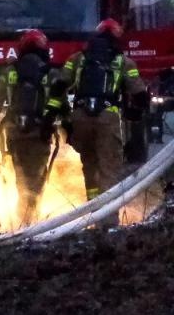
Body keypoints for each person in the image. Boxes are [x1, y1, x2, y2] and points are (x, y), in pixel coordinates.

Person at [0, 28, 64, 226]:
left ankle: (22, 223)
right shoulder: (50, 73)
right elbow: (60, 102)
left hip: (14, 133)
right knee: (37, 180)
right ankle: (30, 224)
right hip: (39, 134)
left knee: (21, 179)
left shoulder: (10, 71)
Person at [60, 18, 147, 199]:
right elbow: (139, 93)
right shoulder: (124, 62)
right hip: (107, 118)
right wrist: (136, 113)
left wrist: (65, 119)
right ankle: (107, 221)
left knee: (89, 164)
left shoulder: (76, 59)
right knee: (109, 168)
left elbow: (58, 85)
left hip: (80, 118)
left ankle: (91, 211)